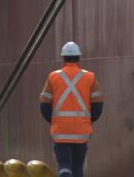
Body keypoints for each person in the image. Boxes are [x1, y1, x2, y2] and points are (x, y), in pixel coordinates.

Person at [40, 41, 103, 177]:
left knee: (64, 164)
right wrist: (87, 121)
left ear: (63, 58)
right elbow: (98, 107)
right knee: (78, 166)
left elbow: (44, 106)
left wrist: (55, 121)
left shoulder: (53, 77)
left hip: (61, 131)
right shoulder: (90, 77)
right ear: (79, 58)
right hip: (81, 131)